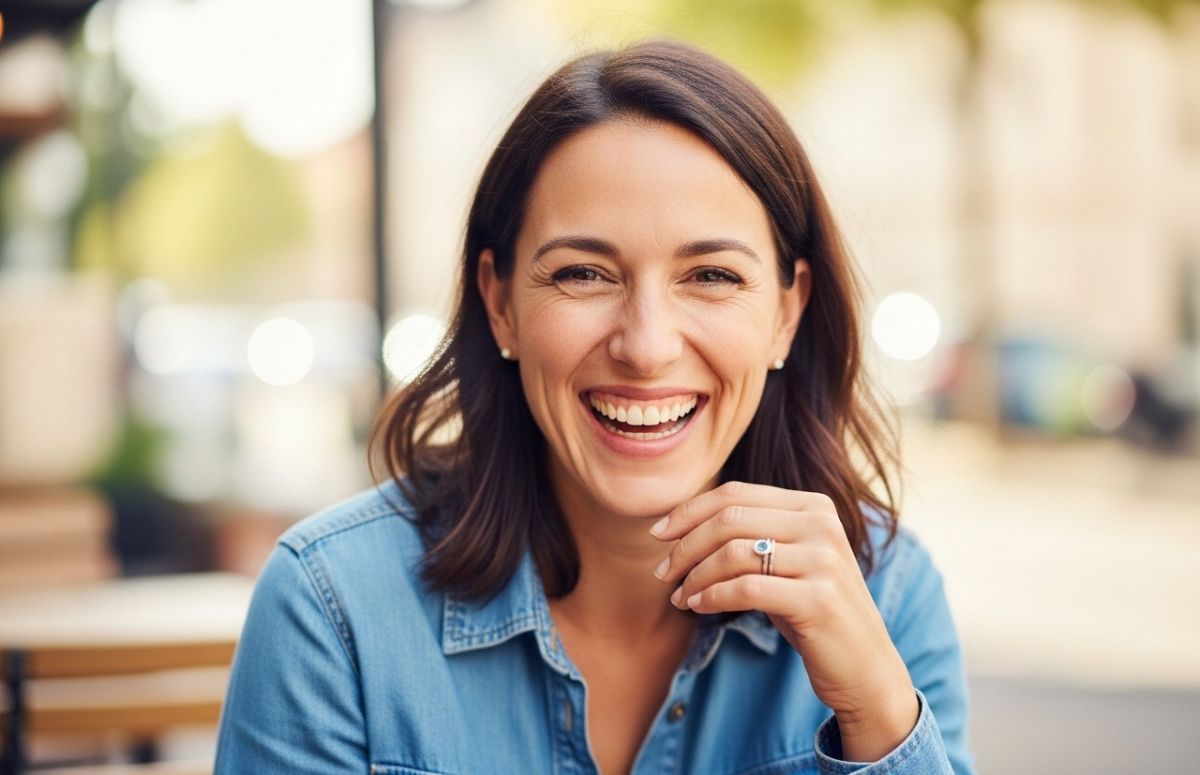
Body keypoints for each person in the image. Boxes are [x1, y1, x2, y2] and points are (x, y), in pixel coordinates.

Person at [215, 39, 974, 775]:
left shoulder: (889, 596)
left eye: (710, 275)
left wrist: (877, 716)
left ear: (786, 313)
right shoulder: (332, 610)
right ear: (500, 302)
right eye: (583, 273)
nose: (645, 346)